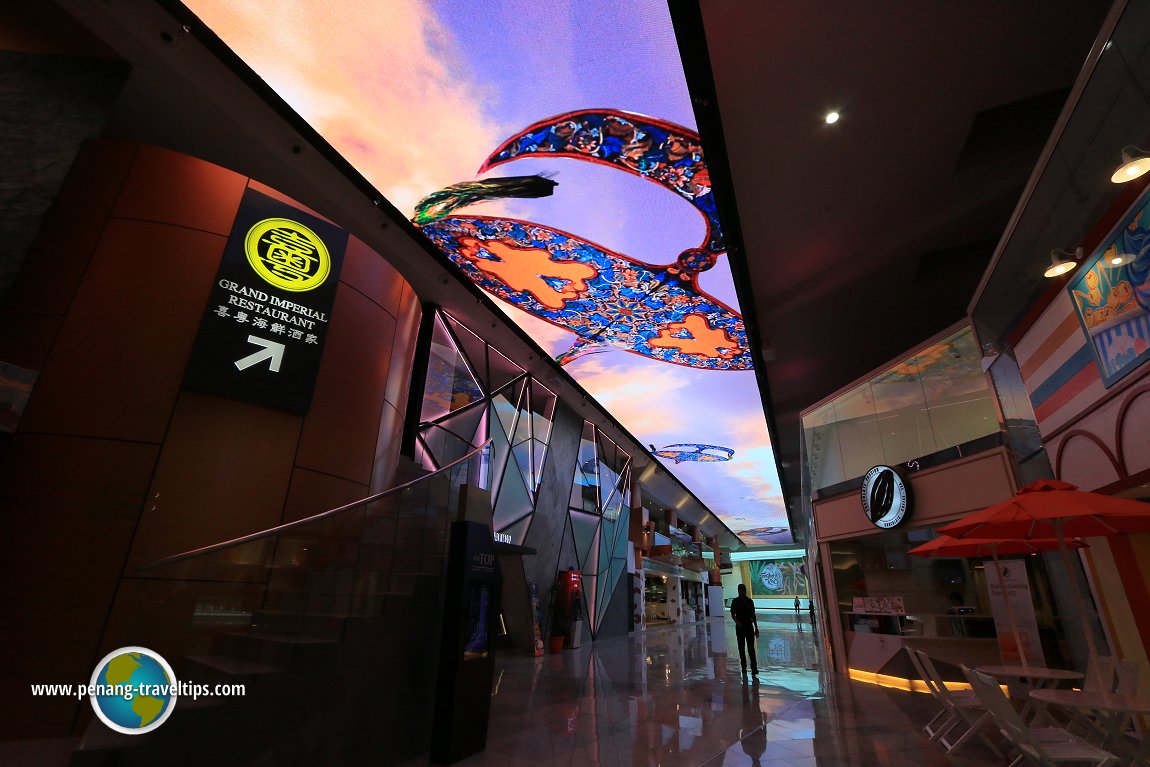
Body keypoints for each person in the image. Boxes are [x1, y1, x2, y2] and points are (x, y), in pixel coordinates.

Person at [730, 583, 759, 675]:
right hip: (740, 627)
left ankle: (754, 668)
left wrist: (756, 627)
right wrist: (737, 622)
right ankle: (744, 666)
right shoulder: (735, 601)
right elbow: (732, 614)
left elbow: (753, 615)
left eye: (744, 589)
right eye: (742, 590)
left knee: (751, 648)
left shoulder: (750, 601)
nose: (743, 591)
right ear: (738, 591)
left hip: (749, 626)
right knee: (741, 648)